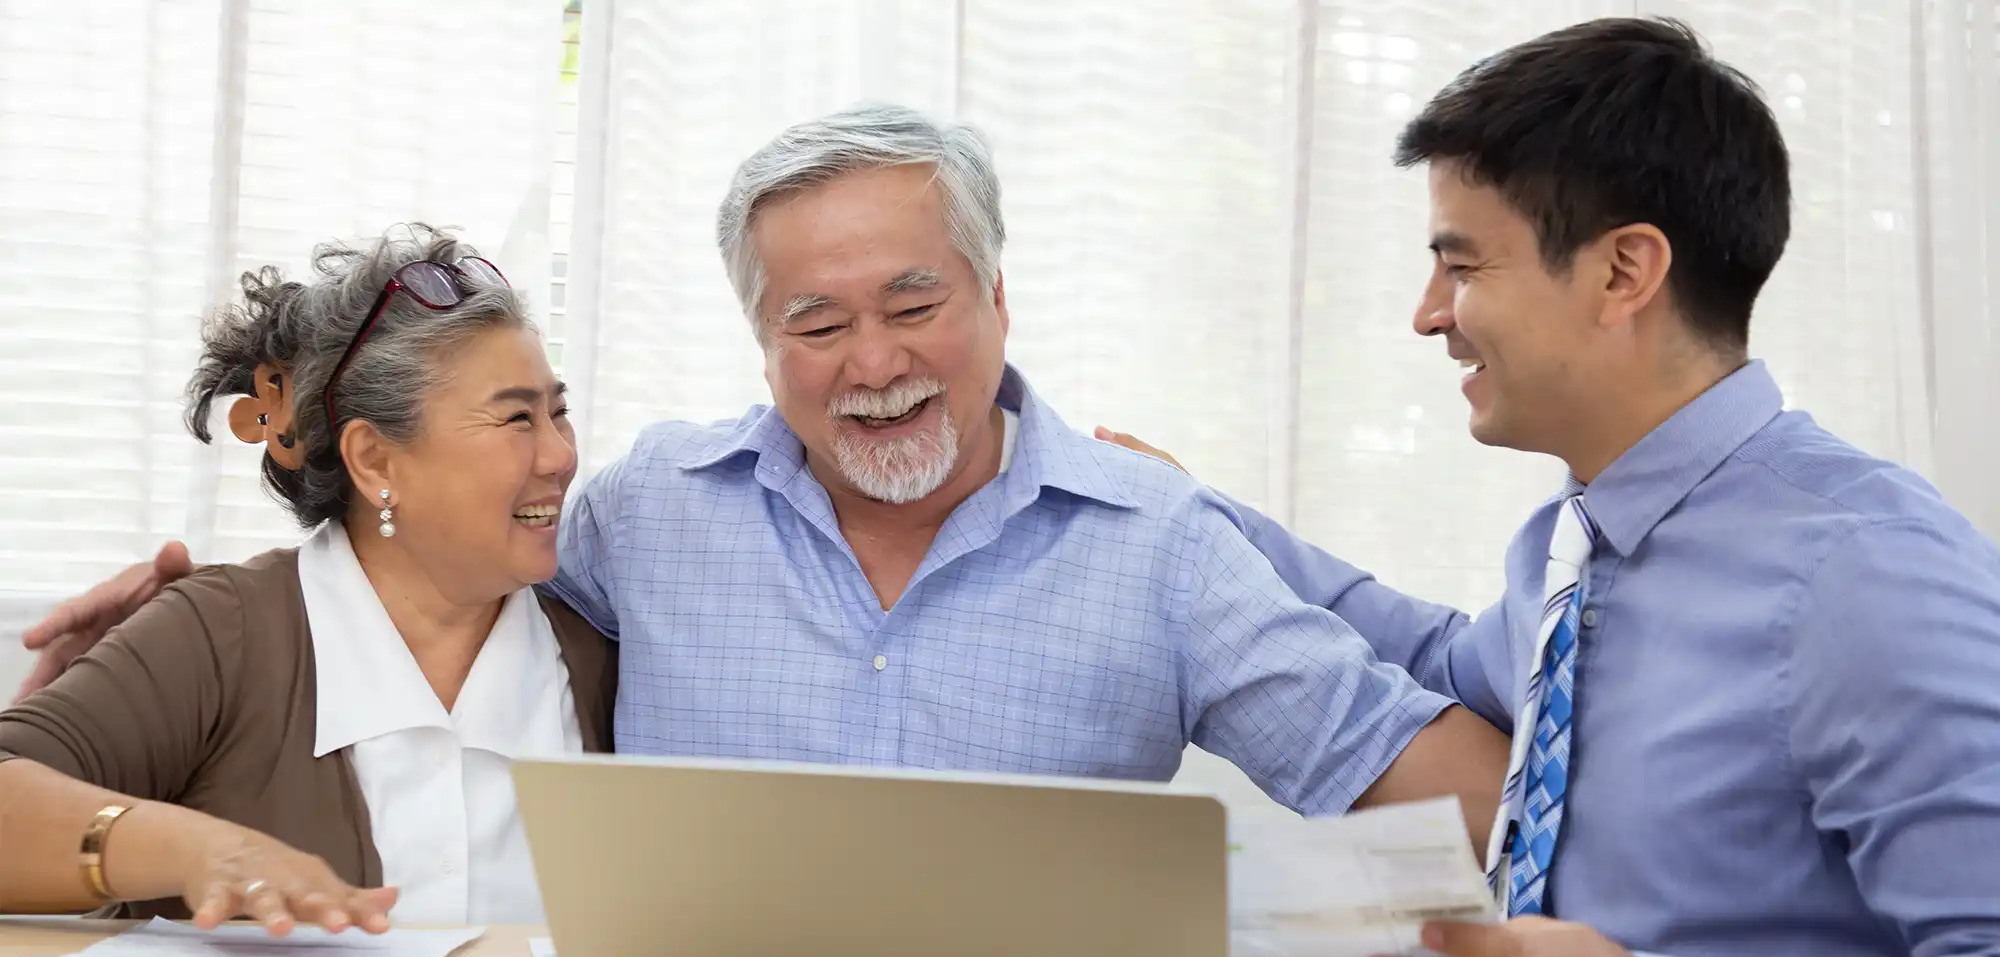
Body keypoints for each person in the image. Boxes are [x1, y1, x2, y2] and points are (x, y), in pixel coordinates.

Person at [20, 105, 1508, 846]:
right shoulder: (646, 512)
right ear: (758, 334)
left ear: (999, 297)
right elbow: (441, 568)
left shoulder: (1163, 545)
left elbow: (1445, 788)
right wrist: (194, 630)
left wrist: (1674, 874)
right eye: (816, 322)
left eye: (914, 305)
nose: (872, 362)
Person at [1103, 17, 2000, 957]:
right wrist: (1195, 520)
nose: (1427, 312)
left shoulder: (1865, 571)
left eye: (1463, 264)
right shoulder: (1569, 544)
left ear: (1623, 272)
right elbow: (1435, 659)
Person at [0, 226, 615, 935]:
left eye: (557, 412)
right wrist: (194, 848)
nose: (560, 456)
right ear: (376, 461)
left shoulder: (598, 658)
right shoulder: (221, 635)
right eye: (517, 419)